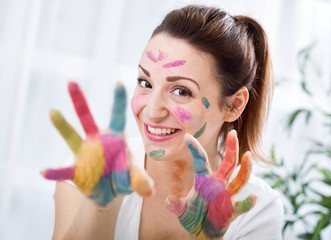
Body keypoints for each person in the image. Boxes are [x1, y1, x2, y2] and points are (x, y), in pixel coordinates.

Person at [42, 4, 283, 240]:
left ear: (234, 105)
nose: (152, 111)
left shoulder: (257, 210)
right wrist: (103, 207)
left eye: (181, 91)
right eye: (145, 82)